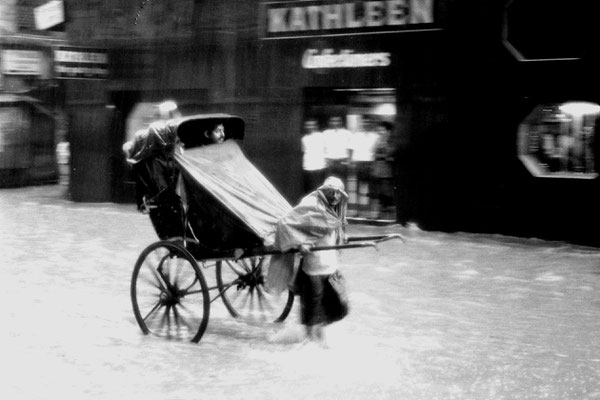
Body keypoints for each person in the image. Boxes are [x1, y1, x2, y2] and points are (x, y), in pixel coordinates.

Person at [268, 176, 349, 348]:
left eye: (338, 193)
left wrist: (341, 236)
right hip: (313, 269)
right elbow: (289, 225)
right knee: (313, 313)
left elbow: (336, 230)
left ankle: (320, 344)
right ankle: (310, 346)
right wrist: (302, 243)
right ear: (323, 190)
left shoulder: (336, 210)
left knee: (333, 309)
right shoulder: (312, 205)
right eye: (331, 192)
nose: (335, 196)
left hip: (330, 268)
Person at [371, 121, 395, 218]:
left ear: (388, 131)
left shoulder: (391, 141)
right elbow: (374, 152)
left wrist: (384, 155)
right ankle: (382, 211)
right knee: (380, 191)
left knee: (387, 191)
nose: (380, 131)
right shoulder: (378, 140)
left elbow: (390, 154)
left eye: (382, 129)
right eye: (379, 129)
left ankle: (388, 212)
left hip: (387, 171)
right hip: (378, 170)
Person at [322, 116, 352, 184]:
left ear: (341, 122)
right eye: (333, 121)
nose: (335, 123)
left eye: (337, 121)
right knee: (330, 184)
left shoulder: (347, 133)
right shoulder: (325, 133)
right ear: (330, 122)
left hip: (342, 162)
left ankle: (342, 195)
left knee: (343, 183)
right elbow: (322, 148)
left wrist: (349, 161)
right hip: (330, 162)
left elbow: (350, 148)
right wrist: (325, 160)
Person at [300, 118, 326, 193]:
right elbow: (304, 151)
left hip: (320, 166)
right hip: (308, 167)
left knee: (320, 188)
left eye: (312, 125)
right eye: (308, 125)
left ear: (316, 126)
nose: (310, 127)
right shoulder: (304, 138)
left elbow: (326, 149)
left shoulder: (321, 136)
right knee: (310, 188)